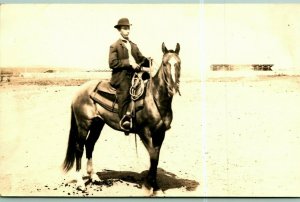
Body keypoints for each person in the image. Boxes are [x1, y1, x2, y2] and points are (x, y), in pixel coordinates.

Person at [109, 18, 150, 131]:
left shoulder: (133, 45)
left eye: (128, 28)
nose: (127, 31)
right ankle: (125, 119)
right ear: (119, 30)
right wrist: (129, 63)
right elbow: (112, 63)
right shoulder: (115, 46)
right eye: (124, 29)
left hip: (134, 75)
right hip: (122, 76)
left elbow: (141, 58)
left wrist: (148, 60)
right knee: (126, 91)